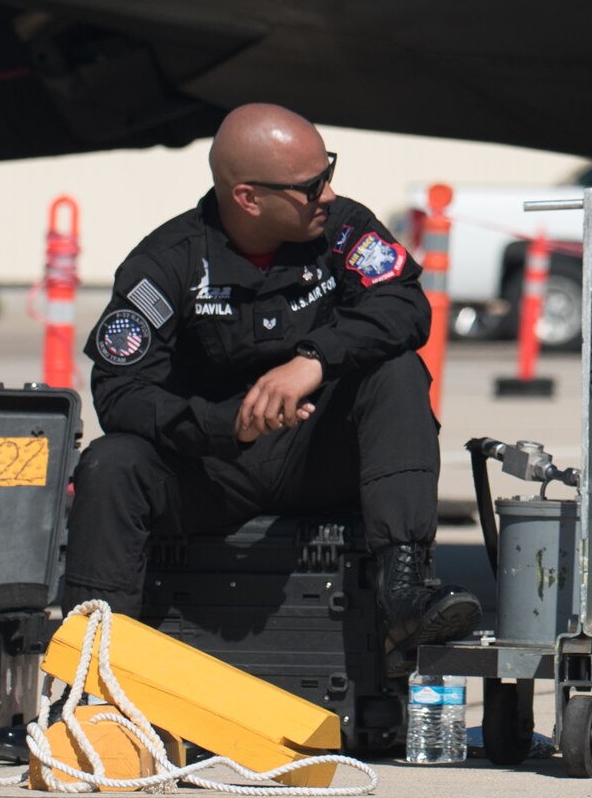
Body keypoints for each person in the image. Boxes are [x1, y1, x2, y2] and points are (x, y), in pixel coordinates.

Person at [61, 103, 479, 662]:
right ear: (248, 198)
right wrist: (223, 424)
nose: (327, 194)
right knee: (110, 463)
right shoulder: (167, 264)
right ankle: (89, 667)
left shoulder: (344, 228)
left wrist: (315, 359)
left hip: (318, 456)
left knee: (398, 368)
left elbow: (405, 306)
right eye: (310, 186)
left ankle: (402, 593)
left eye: (327, 172)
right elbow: (120, 391)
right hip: (211, 470)